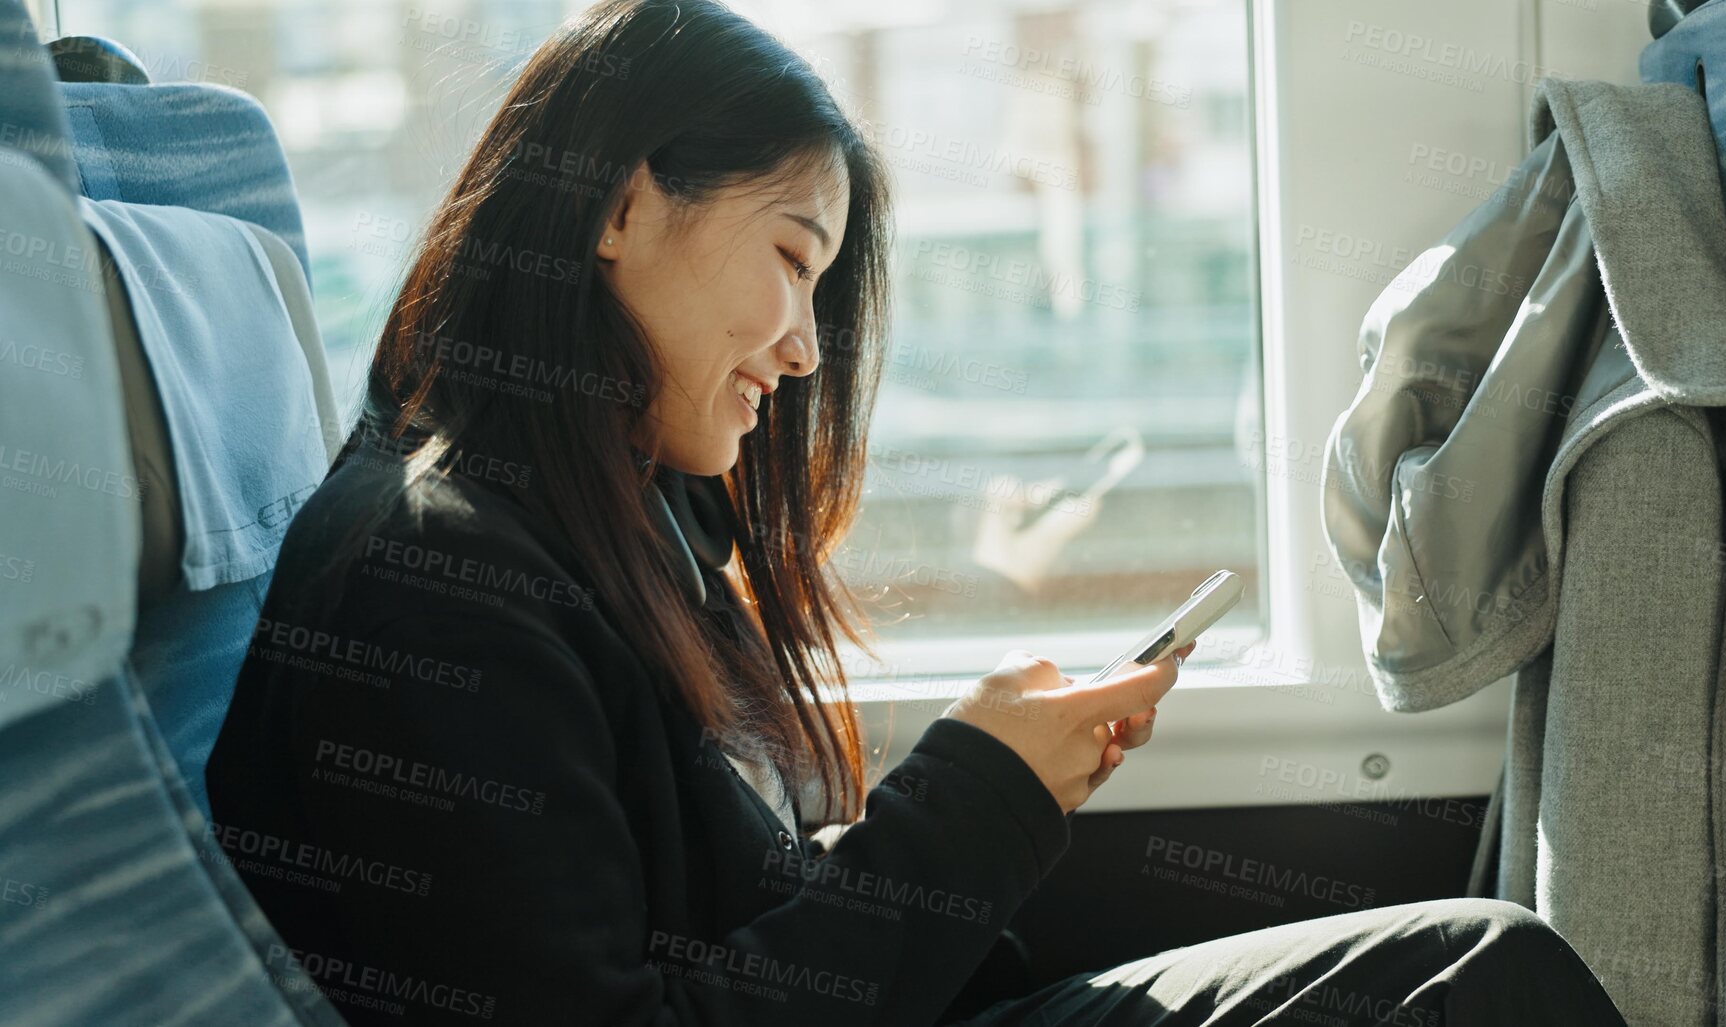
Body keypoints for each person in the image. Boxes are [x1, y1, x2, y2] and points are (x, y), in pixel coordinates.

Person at [205, 1, 1627, 1023]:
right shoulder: (431, 576)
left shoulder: (621, 528)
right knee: (1477, 981)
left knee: (1475, 965)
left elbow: (736, 926)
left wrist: (993, 772)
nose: (809, 350)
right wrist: (976, 801)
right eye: (790, 257)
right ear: (618, 208)